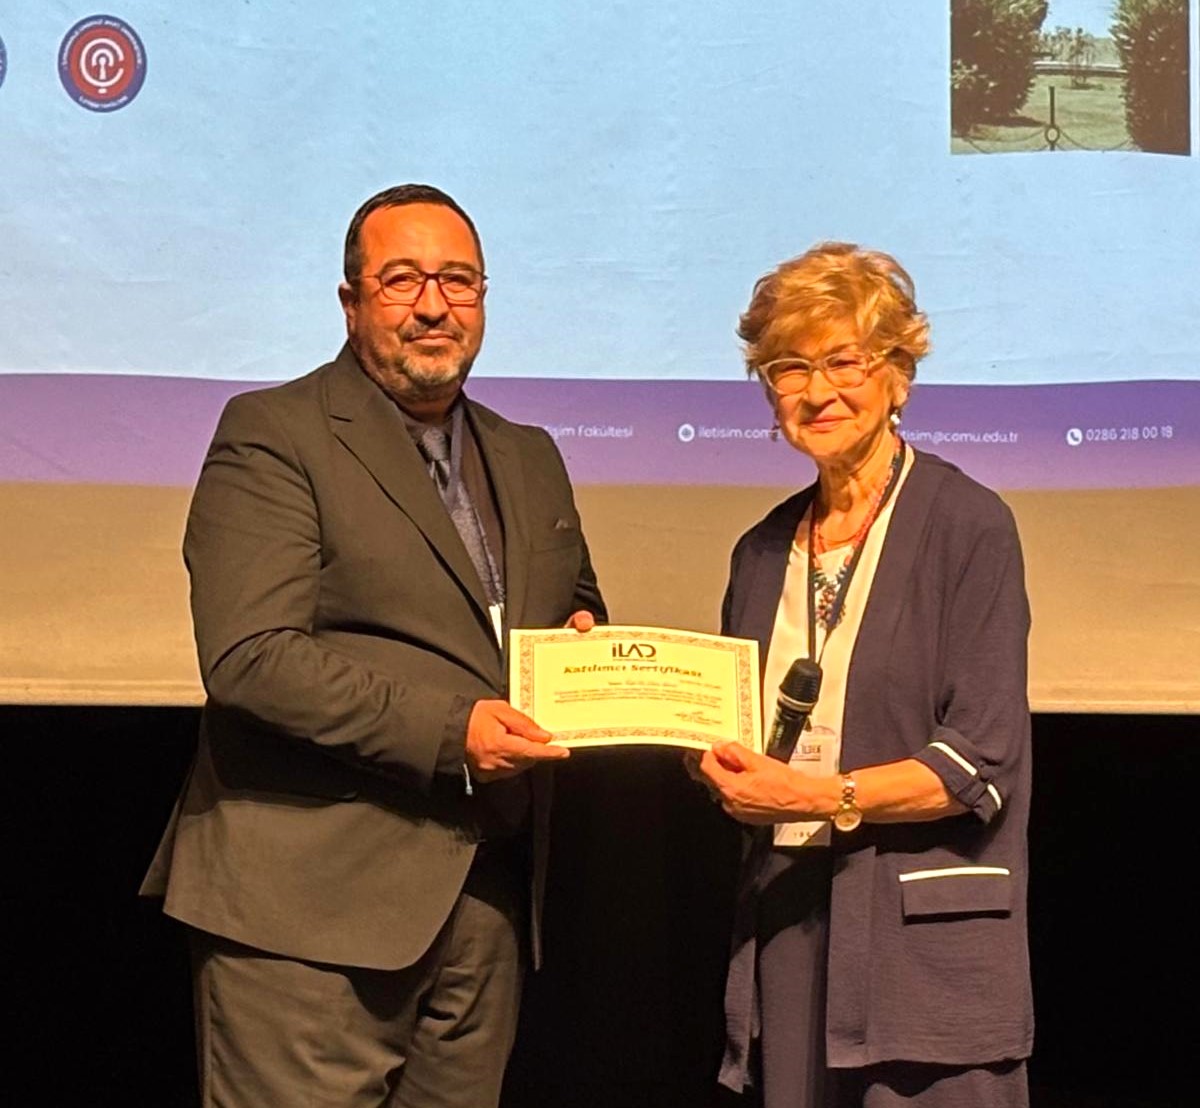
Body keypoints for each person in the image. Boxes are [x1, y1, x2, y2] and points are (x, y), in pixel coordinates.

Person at [140, 183, 606, 1108]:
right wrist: (451, 733)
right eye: (402, 280)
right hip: (306, 916)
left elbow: (575, 604)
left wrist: (586, 649)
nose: (434, 305)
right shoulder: (273, 434)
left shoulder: (530, 454)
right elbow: (250, 656)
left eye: (457, 280)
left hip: (484, 906)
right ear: (351, 301)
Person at [698, 243, 1032, 1107]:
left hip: (923, 943)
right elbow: (743, 733)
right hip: (791, 926)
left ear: (898, 376)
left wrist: (813, 797)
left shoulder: (968, 527)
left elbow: (979, 762)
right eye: (789, 367)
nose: (817, 391)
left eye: (844, 361)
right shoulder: (760, 551)